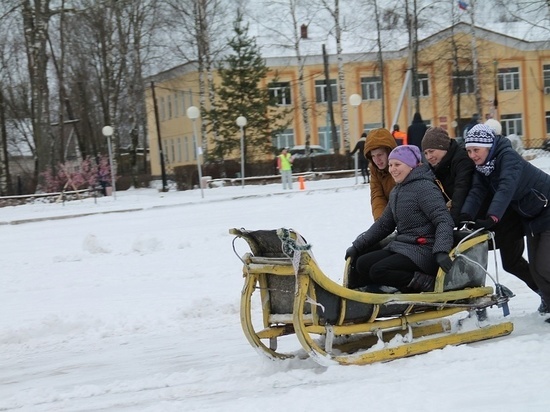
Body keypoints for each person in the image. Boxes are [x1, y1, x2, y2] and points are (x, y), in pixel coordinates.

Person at [422, 126, 544, 311]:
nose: (429, 156)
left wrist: (455, 219)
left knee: (512, 263)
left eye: (432, 151)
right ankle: (477, 307)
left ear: (443, 147)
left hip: (503, 217)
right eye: (425, 153)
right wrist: (460, 217)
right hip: (478, 220)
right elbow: (465, 193)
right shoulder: (437, 168)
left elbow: (466, 190)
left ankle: (543, 292)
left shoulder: (462, 160)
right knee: (473, 264)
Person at [460, 124, 550, 321]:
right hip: (531, 215)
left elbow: (506, 188)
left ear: (488, 146)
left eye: (476, 150)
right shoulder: (484, 167)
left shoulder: (507, 158)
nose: (473, 155)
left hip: (547, 207)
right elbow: (477, 191)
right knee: (535, 269)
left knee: (544, 265)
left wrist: (493, 217)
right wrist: (465, 215)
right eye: (469, 151)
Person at [345, 145, 454, 292]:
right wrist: (358, 245)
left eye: (397, 164)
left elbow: (443, 220)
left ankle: (424, 282)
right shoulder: (398, 190)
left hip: (424, 249)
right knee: (362, 263)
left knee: (378, 270)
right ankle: (378, 289)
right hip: (403, 246)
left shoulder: (425, 188)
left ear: (411, 166)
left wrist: (441, 250)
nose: (392, 169)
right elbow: (384, 224)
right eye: (390, 165)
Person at [363, 128, 398, 220]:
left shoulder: (403, 167)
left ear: (389, 152)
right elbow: (377, 196)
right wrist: (381, 222)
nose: (377, 160)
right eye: (373, 156)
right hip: (390, 218)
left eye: (380, 155)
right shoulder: (375, 171)